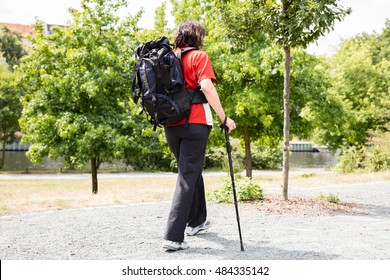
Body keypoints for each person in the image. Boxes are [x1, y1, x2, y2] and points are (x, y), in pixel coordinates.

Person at [162, 20, 236, 251]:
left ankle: (197, 221)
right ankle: (173, 236)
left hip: (170, 125)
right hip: (195, 123)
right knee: (187, 175)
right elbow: (206, 87)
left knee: (191, 171)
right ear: (197, 37)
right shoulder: (199, 57)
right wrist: (224, 118)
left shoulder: (166, 59)